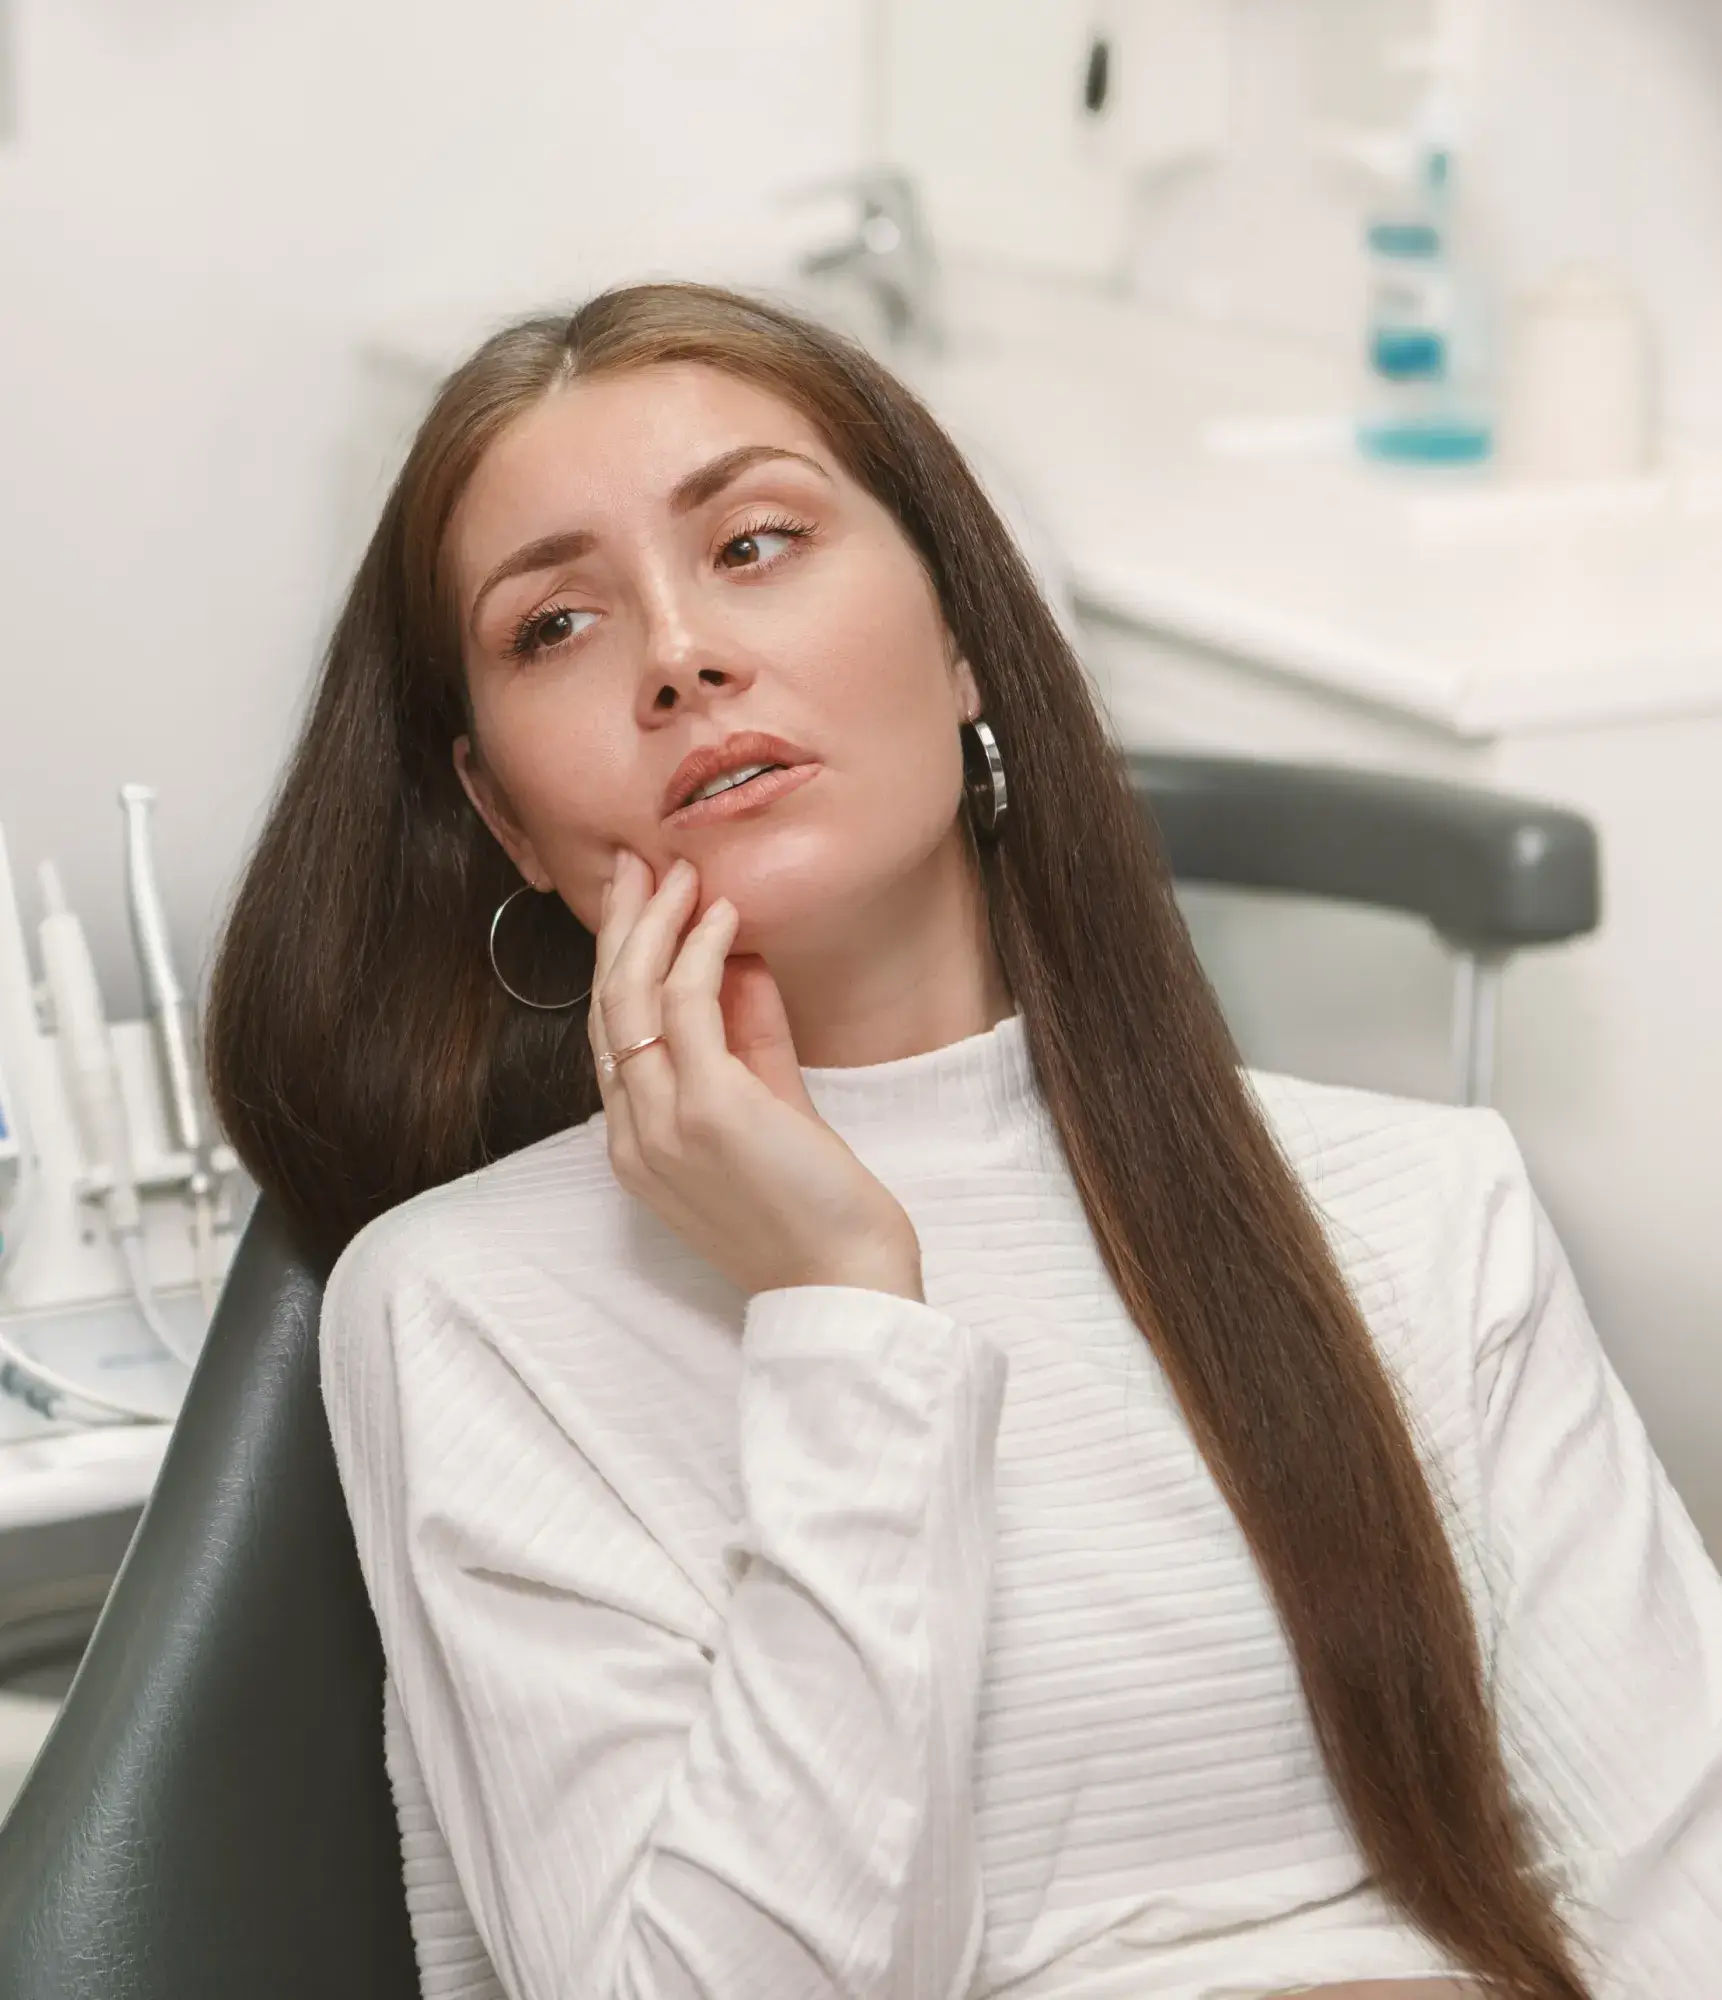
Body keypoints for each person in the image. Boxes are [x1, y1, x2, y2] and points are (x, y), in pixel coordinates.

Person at [204, 283, 1722, 2000]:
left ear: (962, 635)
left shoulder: (1429, 1215)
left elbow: (1682, 1919)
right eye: (555, 625)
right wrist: (841, 1304)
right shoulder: (462, 1311)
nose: (681, 655)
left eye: (757, 542)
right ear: (503, 816)